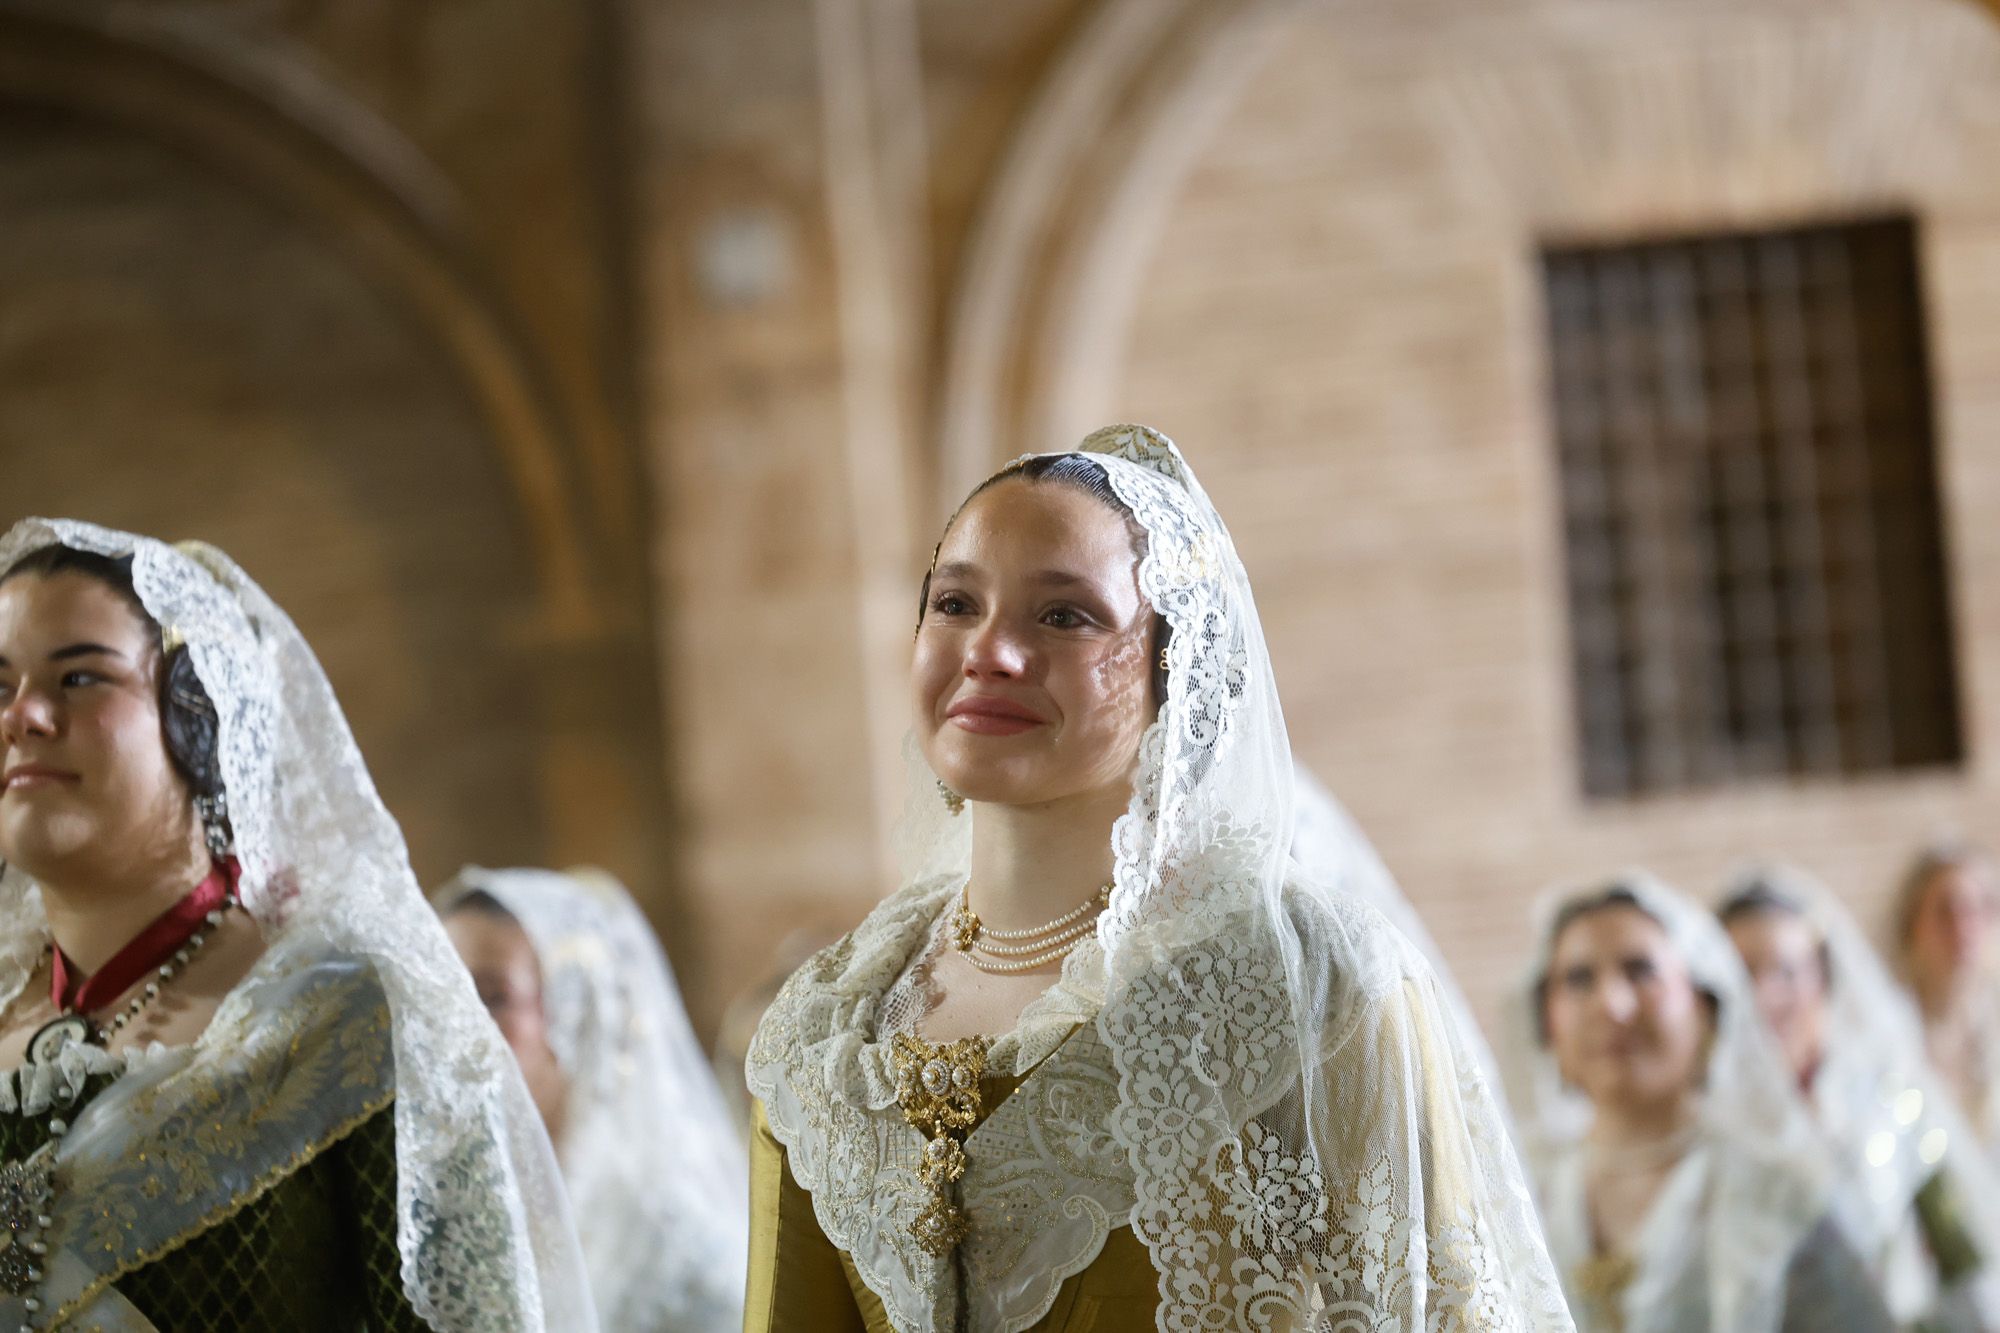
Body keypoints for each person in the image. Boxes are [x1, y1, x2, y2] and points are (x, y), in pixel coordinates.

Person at [744, 424, 1571, 1331]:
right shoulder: (826, 1028)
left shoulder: (1304, 976)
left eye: (1063, 615)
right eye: (955, 604)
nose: (991, 651)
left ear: (1174, 673)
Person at [0, 521, 592, 1331]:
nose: (24, 715)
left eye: (78, 678)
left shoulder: (356, 1021)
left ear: (196, 714)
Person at [1504, 872, 1893, 1333]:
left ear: (1705, 1010)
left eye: (1640, 971)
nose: (1611, 1003)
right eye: (1578, 979)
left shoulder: (1781, 1192)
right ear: (1546, 1022)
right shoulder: (1519, 1193)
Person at [438, 865, 748, 1332]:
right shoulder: (442, 1190)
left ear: (576, 1015)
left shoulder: (667, 1238)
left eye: (493, 996)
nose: (458, 1023)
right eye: (444, 993)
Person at [1719, 865, 2000, 1331]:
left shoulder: (1890, 1102)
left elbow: (1962, 1255)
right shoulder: (1708, 1126)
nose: (1765, 994)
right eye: (1742, 973)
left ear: (1823, 982)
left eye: (1786, 971)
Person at [1895, 846, 2000, 1146]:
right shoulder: (1893, 1029)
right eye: (1946, 911)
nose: (1963, 928)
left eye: (1977, 909)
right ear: (1912, 925)